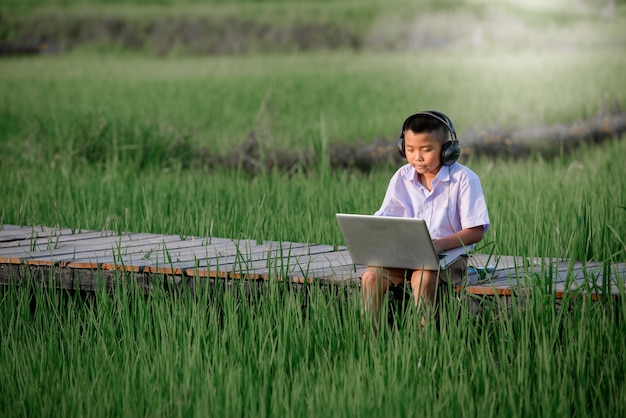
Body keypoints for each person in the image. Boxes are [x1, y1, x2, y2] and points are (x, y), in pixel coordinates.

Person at [360, 110, 490, 330]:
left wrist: (436, 244)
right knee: (370, 277)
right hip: (404, 253)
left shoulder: (464, 179)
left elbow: (475, 231)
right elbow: (387, 217)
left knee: (422, 279)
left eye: (426, 150)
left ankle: (426, 343)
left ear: (448, 150)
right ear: (403, 148)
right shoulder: (402, 177)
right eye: (410, 150)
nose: (417, 157)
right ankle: (368, 342)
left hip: (447, 255)